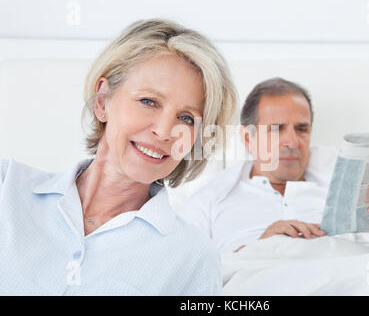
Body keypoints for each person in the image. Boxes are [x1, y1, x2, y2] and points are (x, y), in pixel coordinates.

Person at [0, 19, 238, 295]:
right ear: (102, 101)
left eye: (186, 118)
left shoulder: (193, 257)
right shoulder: (7, 187)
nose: (163, 131)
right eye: (149, 102)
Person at [178, 77, 369, 258]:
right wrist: (260, 248)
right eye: (276, 129)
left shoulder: (345, 195)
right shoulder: (209, 201)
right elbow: (187, 279)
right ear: (248, 138)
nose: (293, 142)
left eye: (302, 129)